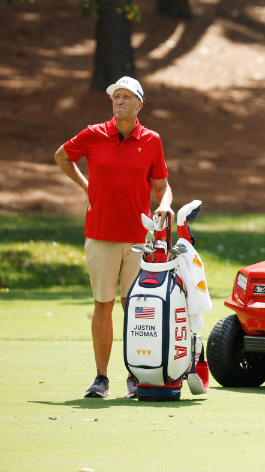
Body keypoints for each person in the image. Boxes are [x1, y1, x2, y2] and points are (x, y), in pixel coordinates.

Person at [54, 76, 173, 398]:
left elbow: (162, 185)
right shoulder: (93, 134)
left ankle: (137, 376)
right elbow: (62, 156)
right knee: (103, 305)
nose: (119, 101)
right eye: (115, 97)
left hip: (139, 239)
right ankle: (101, 378)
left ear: (139, 105)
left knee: (135, 308)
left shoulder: (151, 140)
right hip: (101, 235)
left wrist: (164, 205)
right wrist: (85, 186)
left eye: (126, 97)